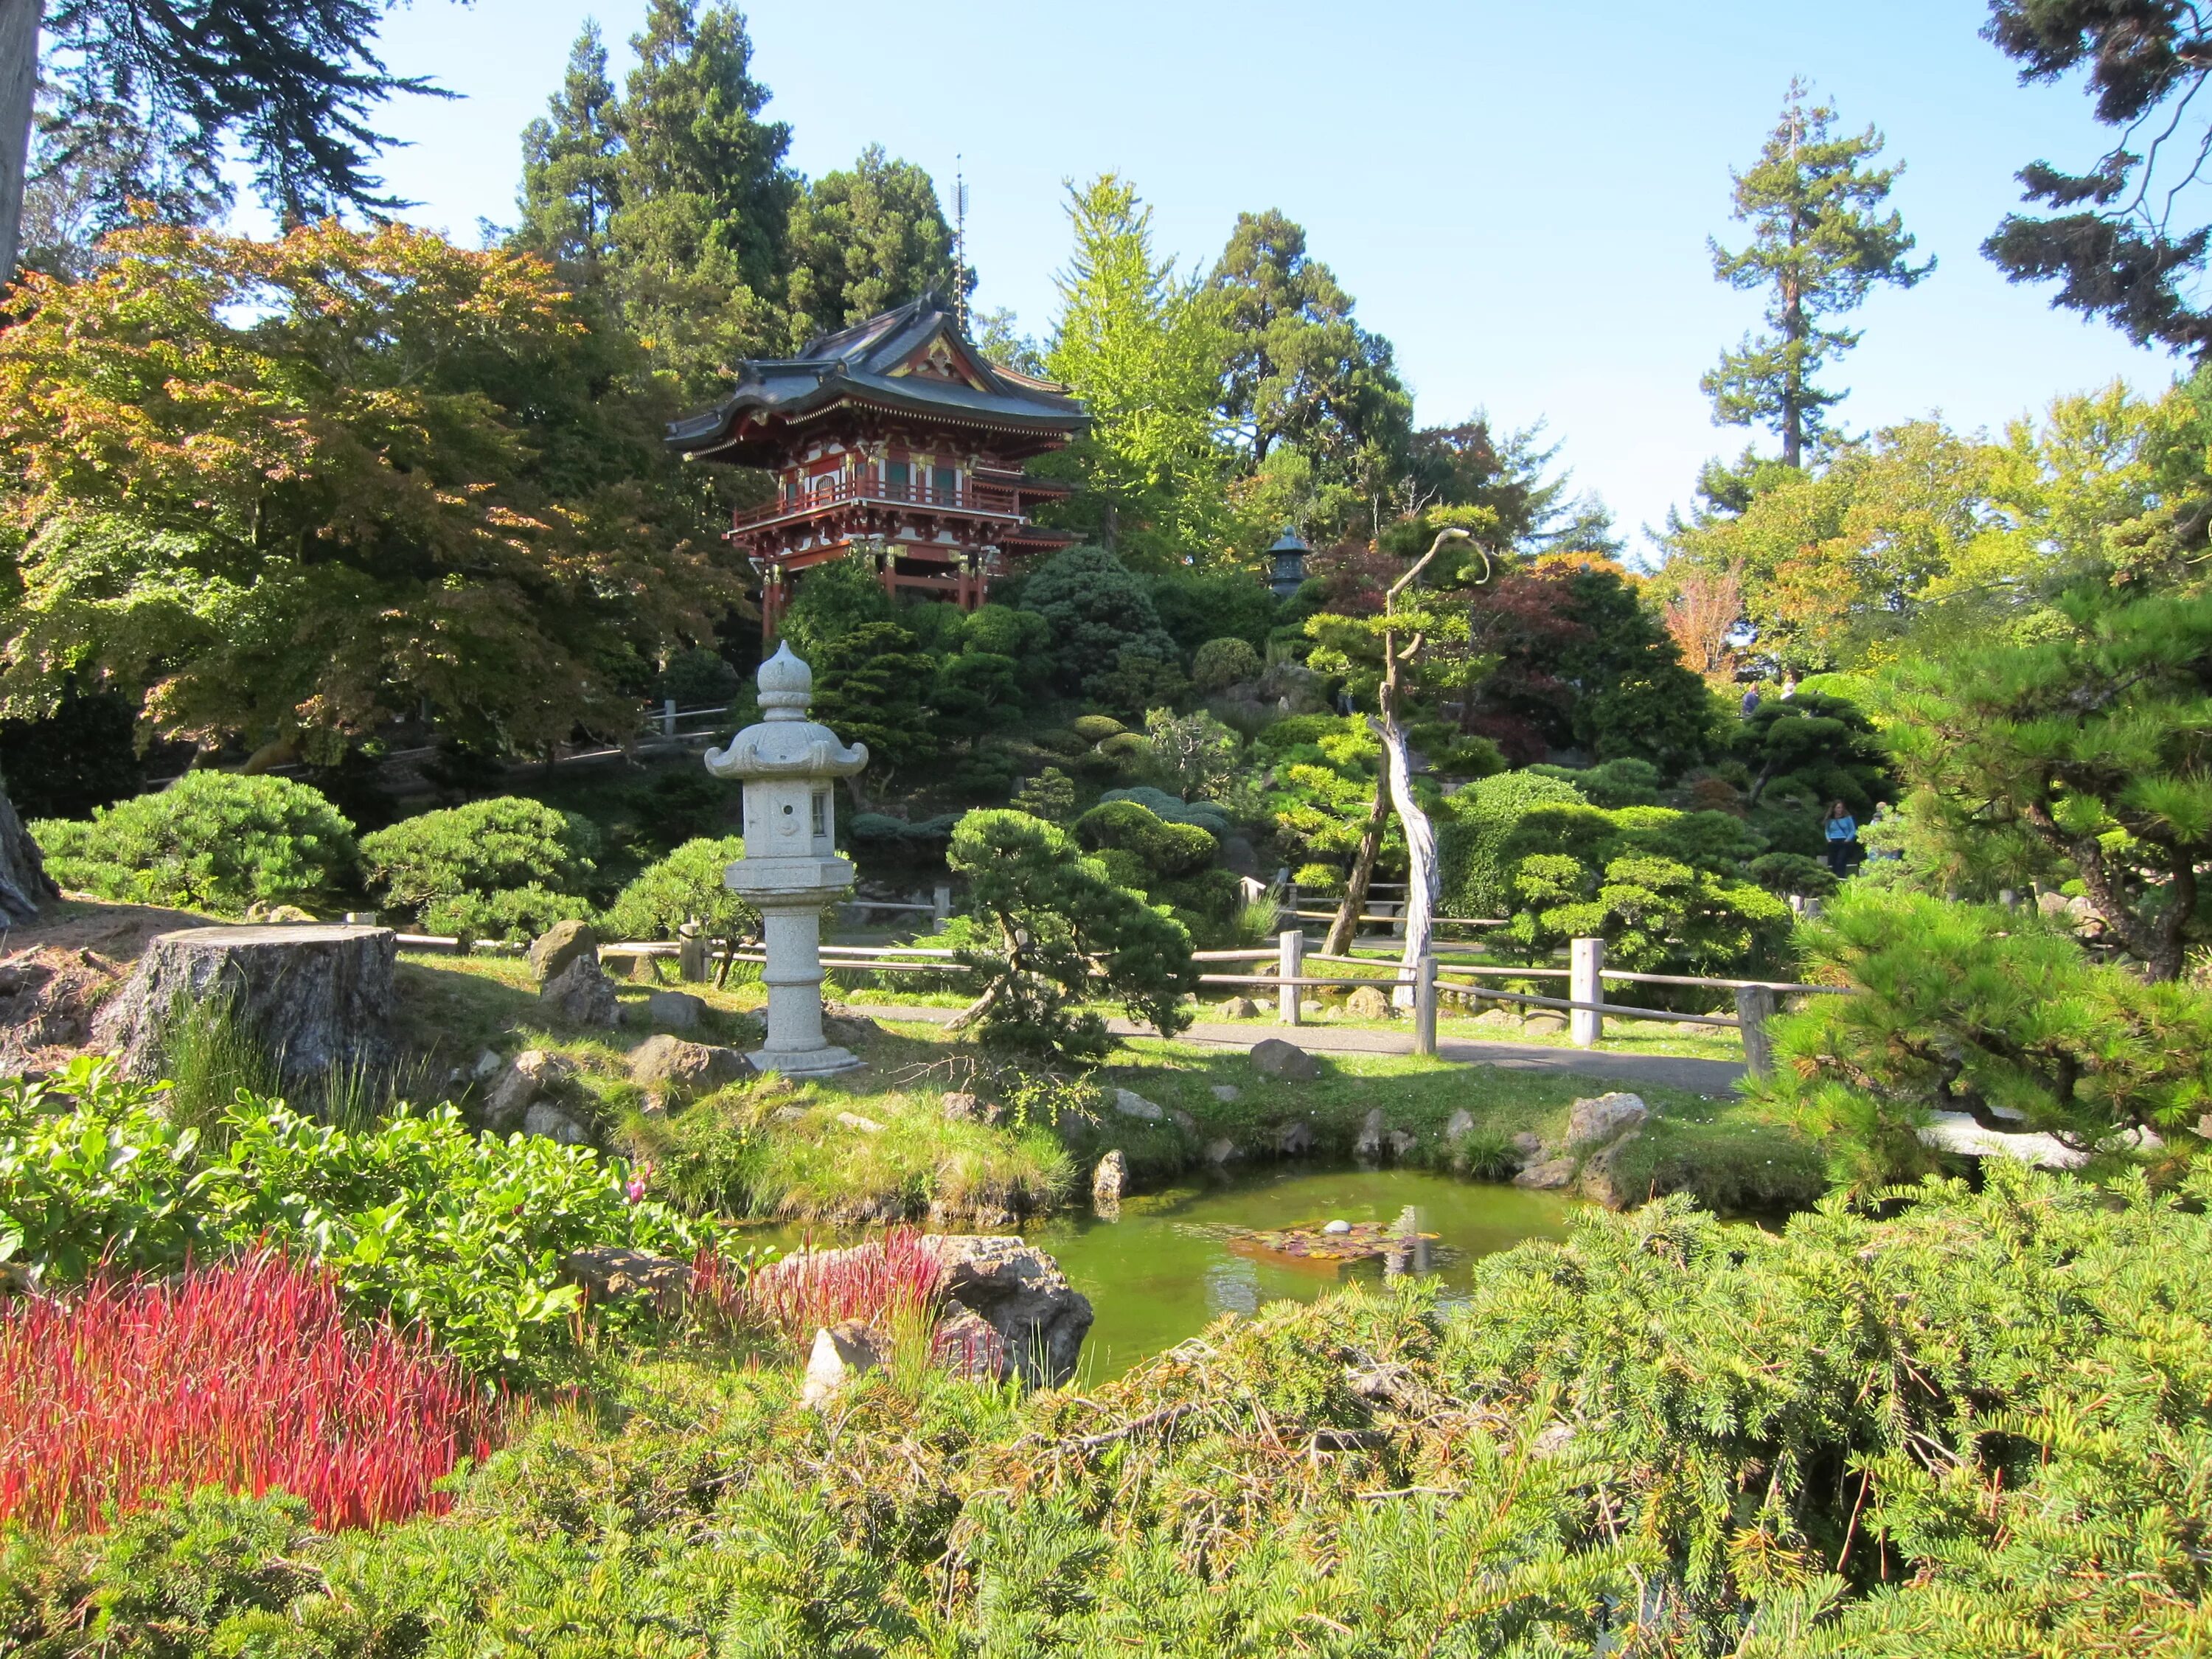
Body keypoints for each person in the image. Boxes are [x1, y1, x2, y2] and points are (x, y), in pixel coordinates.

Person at [1823, 799, 1859, 877]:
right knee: (1832, 862)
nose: (1840, 810)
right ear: (1834, 809)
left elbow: (1853, 830)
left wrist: (1848, 839)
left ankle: (1841, 878)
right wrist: (1828, 839)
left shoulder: (1848, 818)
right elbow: (1827, 830)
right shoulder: (1830, 819)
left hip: (1844, 841)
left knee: (1841, 861)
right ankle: (1833, 877)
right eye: (1838, 808)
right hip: (1833, 841)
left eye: (1841, 808)